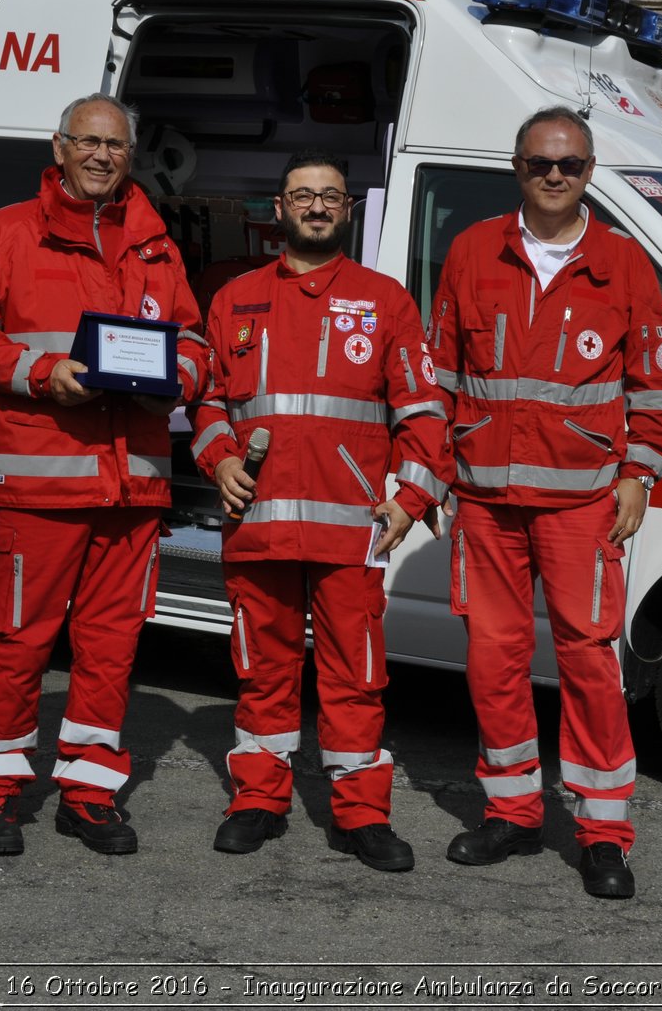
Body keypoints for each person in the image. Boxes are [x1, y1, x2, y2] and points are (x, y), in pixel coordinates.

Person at [0, 93, 207, 856]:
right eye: (86, 142)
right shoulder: (6, 232)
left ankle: (89, 792)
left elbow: (193, 340)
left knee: (111, 644)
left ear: (131, 154)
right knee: (18, 640)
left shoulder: (156, 244)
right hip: (42, 482)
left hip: (133, 485)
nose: (99, 156)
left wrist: (178, 376)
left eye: (114, 145)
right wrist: (42, 371)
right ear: (58, 147)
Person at [429, 106, 662, 899]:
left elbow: (655, 383)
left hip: (582, 504)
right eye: (540, 163)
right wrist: (434, 472)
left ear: (589, 172)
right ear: (517, 167)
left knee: (589, 664)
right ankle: (511, 812)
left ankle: (602, 831)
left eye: (569, 165)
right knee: (493, 663)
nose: (554, 176)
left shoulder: (624, 262)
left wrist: (638, 473)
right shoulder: (472, 251)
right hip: (487, 500)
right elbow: (439, 376)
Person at [190, 152, 452, 872]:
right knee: (261, 671)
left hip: (351, 528)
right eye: (302, 195)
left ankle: (362, 815)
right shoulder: (234, 297)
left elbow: (425, 412)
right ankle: (257, 800)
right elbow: (207, 399)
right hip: (260, 522)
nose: (316, 206)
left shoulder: (386, 300)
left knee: (355, 677)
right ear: (279, 209)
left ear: (348, 210)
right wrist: (221, 460)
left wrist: (410, 498)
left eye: (329, 196)